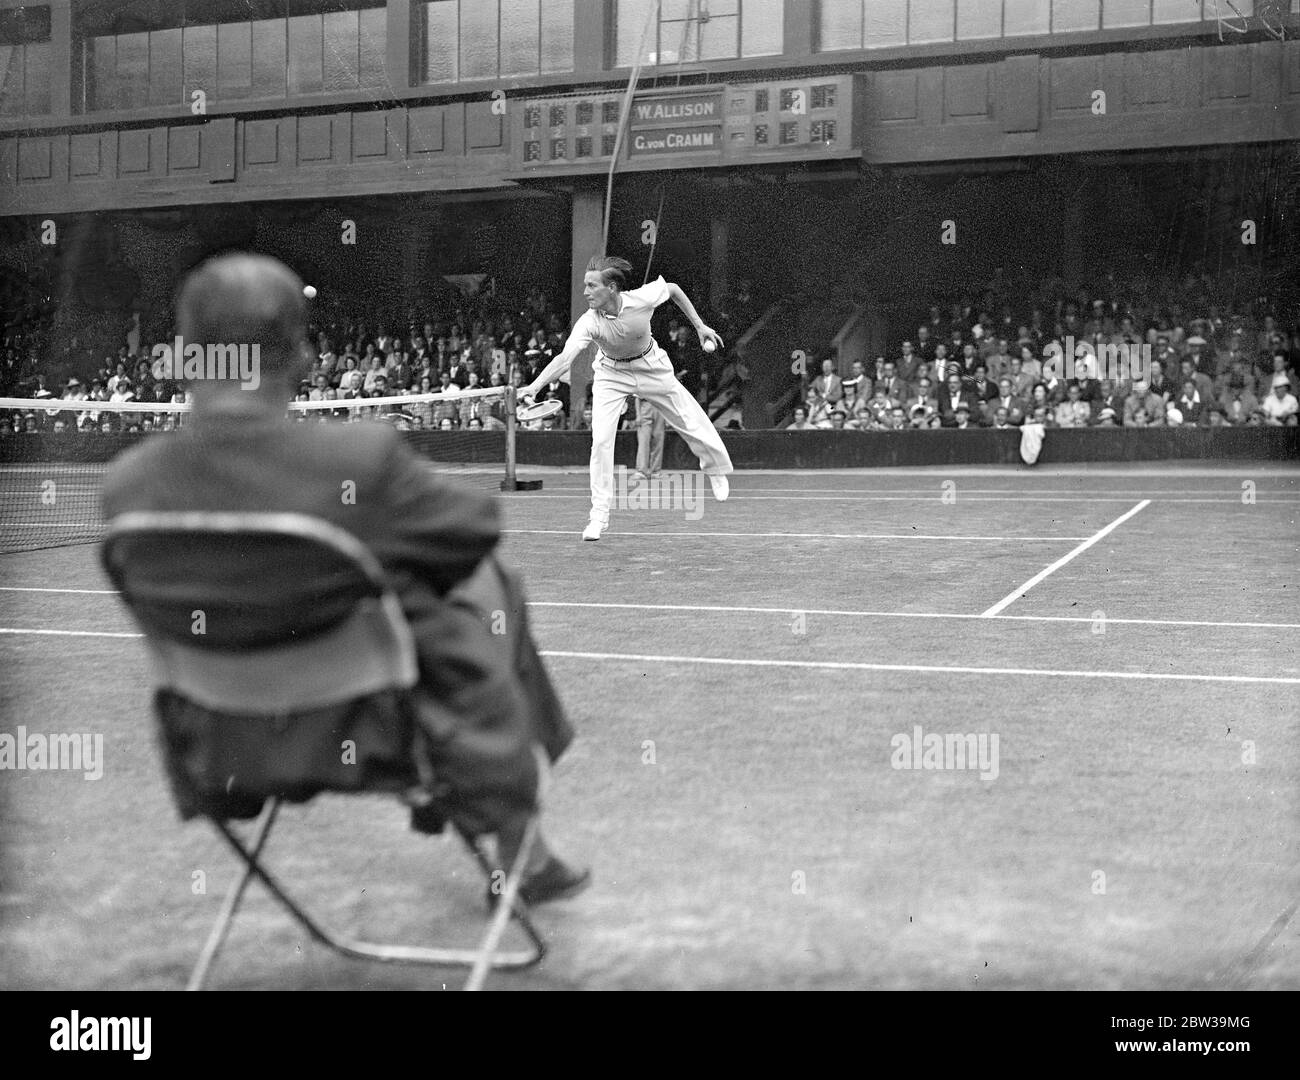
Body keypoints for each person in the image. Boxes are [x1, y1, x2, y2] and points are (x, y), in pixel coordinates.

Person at [102, 254, 587, 906]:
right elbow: (476, 529)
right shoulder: (358, 460)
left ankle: (515, 834)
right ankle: (514, 834)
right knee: (491, 578)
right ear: (300, 356)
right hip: (385, 731)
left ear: (186, 355)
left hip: (221, 746)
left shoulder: (125, 489)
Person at [522, 256, 733, 541]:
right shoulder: (589, 322)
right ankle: (599, 515)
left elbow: (672, 289)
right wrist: (534, 386)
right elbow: (564, 359)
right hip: (611, 374)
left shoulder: (640, 299)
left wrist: (699, 327)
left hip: (650, 365)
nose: (585, 292)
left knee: (689, 418)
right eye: (585, 285)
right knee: (601, 440)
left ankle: (716, 470)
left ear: (610, 288)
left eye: (591, 285)